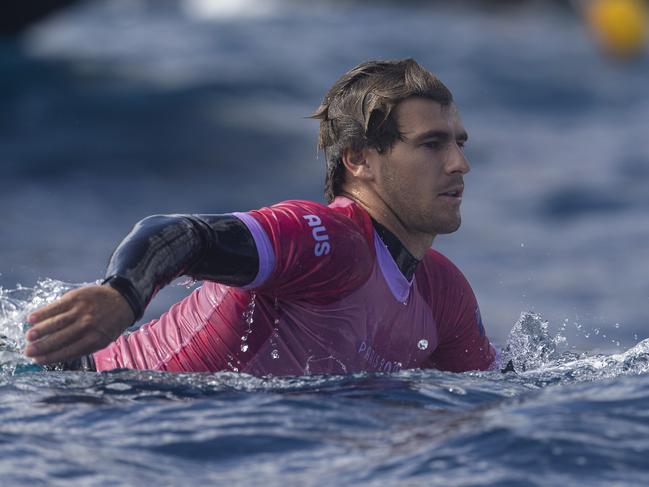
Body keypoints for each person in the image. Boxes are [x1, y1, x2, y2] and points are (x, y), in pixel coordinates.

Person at [24, 58, 497, 375]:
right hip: (95, 401)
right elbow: (181, 233)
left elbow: (500, 399)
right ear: (359, 160)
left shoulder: (441, 291)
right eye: (432, 144)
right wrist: (121, 296)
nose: (460, 164)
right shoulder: (328, 241)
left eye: (459, 143)